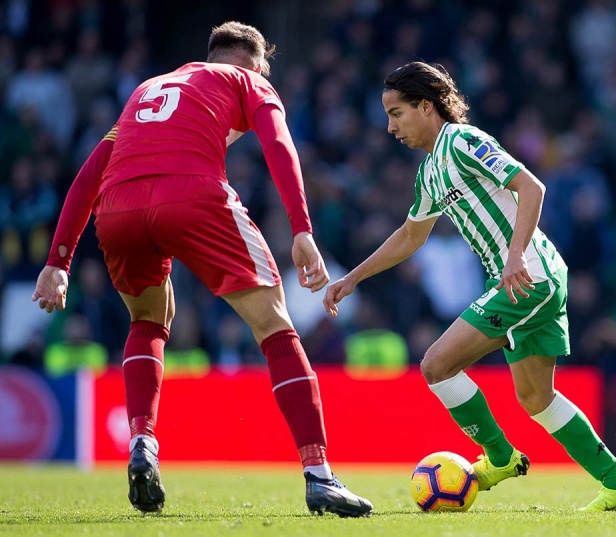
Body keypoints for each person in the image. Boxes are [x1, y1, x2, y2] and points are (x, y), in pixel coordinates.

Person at [32, 21, 372, 518]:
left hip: (118, 208)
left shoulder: (147, 90)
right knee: (274, 323)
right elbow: (279, 144)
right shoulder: (249, 80)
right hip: (192, 193)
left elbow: (89, 174)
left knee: (148, 319)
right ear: (255, 64)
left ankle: (142, 443)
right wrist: (301, 229)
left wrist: (57, 262)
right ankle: (319, 474)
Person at [323, 61, 616, 511]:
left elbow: (532, 188)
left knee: (437, 365)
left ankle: (499, 457)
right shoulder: (430, 172)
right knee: (535, 397)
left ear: (426, 106)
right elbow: (410, 236)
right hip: (524, 279)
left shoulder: (464, 141)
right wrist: (353, 277)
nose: (390, 127)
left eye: (397, 113)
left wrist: (514, 259)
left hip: (527, 276)